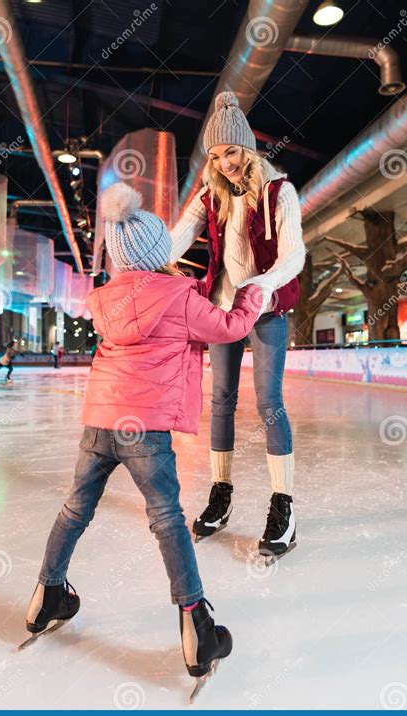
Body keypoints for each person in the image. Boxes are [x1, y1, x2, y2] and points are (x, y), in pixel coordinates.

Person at [24, 183, 270, 687]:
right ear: (163, 252)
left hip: (100, 420)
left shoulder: (105, 300)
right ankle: (197, 625)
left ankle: (48, 593)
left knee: (75, 508)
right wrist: (251, 298)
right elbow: (225, 328)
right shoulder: (178, 296)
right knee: (167, 519)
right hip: (146, 428)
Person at [169, 91, 306, 558]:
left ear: (246, 149)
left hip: (266, 309)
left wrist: (263, 285)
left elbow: (295, 253)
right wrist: (143, 264)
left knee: (270, 402)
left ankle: (283, 505)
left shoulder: (279, 191)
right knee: (221, 402)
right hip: (223, 312)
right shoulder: (209, 197)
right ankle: (221, 493)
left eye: (230, 151)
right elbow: (176, 239)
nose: (224, 162)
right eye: (214, 155)